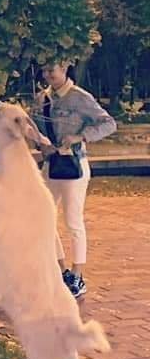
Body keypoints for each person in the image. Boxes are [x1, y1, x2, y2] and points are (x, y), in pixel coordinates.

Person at [31, 59, 117, 298]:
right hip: (50, 166)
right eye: (45, 70)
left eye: (52, 70)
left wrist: (80, 137)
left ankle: (77, 276)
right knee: (43, 219)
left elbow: (109, 123)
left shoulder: (79, 97)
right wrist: (41, 144)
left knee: (73, 221)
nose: (48, 74)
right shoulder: (41, 99)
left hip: (74, 166)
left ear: (65, 68)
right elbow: (36, 131)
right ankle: (61, 271)